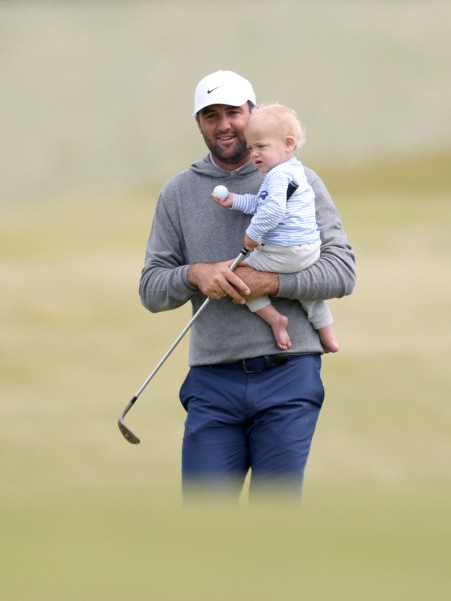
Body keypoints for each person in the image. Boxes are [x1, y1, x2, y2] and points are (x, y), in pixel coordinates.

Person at [138, 70, 355, 500]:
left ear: (252, 113)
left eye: (234, 113)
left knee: (273, 521)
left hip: (288, 375)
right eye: (210, 115)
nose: (224, 125)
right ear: (198, 123)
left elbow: (342, 272)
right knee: (205, 524)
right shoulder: (178, 193)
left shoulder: (300, 179)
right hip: (212, 381)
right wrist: (193, 274)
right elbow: (151, 288)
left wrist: (269, 280)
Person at [210, 103, 340, 353]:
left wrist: (251, 236)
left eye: (261, 146)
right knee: (311, 297)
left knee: (237, 276)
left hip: (284, 251)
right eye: (250, 148)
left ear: (288, 144)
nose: (254, 154)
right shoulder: (295, 171)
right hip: (308, 251)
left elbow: (271, 211)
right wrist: (234, 200)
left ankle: (275, 320)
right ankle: (328, 336)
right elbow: (262, 203)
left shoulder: (277, 176)